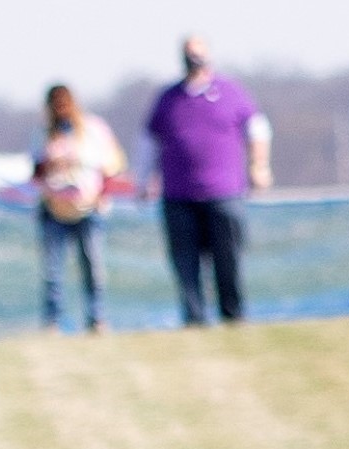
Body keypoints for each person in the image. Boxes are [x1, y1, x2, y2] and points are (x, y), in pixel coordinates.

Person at [140, 35, 273, 326]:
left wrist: (258, 166)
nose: (194, 61)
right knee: (186, 263)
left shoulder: (231, 91)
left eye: (199, 55)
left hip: (224, 193)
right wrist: (145, 179)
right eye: (189, 56)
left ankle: (233, 316)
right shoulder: (169, 98)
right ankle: (194, 319)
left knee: (228, 259)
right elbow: (149, 140)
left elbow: (258, 129)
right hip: (178, 195)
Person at [32, 85, 125, 333]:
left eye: (65, 103)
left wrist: (102, 195)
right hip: (54, 209)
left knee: (93, 268)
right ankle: (52, 321)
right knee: (53, 272)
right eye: (55, 104)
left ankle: (97, 319)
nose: (61, 109)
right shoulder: (44, 133)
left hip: (89, 209)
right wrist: (51, 163)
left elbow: (112, 165)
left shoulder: (93, 129)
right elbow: (35, 172)